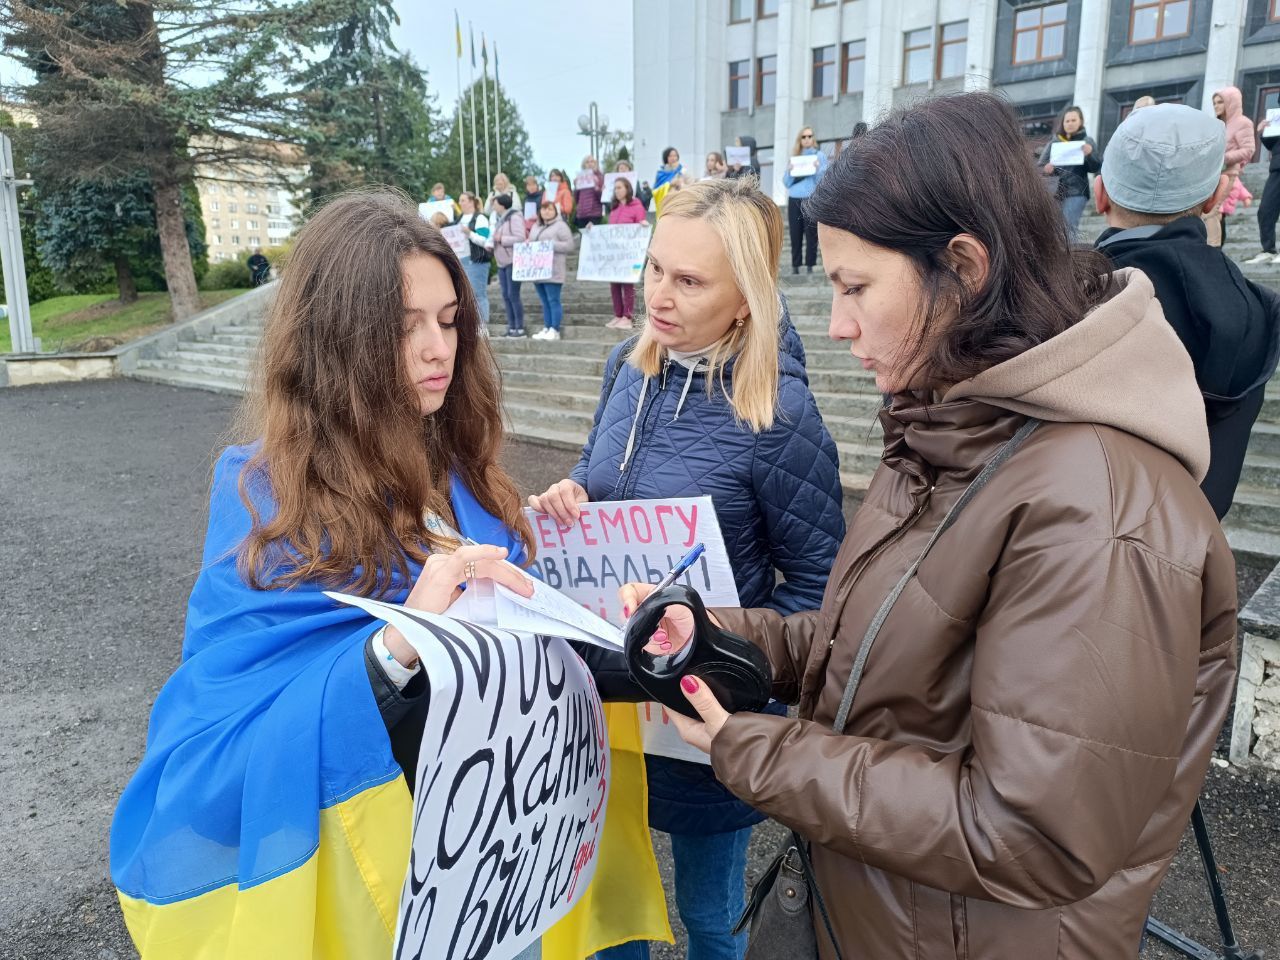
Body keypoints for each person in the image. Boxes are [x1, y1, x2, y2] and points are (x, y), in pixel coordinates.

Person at [621, 92, 1238, 960]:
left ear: (965, 269)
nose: (835, 326)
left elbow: (1031, 832)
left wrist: (757, 749)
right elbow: (881, 649)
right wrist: (725, 635)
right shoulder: (952, 427)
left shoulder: (1098, 507)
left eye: (856, 288)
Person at [530, 177, 846, 960]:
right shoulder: (625, 369)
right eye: (654, 269)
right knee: (610, 909)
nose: (659, 298)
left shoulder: (779, 412)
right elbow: (597, 476)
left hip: (704, 713)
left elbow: (819, 591)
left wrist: (740, 679)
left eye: (690, 280)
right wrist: (573, 492)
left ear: (745, 298)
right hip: (601, 696)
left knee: (710, 916)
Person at [1094, 103, 1280, 519]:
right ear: (1216, 196)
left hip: (1062, 547)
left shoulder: (1062, 292)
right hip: (1188, 547)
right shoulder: (1256, 309)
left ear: (1100, 192)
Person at [1203, 87, 1256, 248]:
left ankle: (1213, 250)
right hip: (1214, 173)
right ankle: (1215, 250)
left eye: (1220, 102)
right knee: (1215, 213)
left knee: (1211, 212)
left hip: (1228, 173)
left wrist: (1224, 157)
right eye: (1214, 103)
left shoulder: (1243, 123)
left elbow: (1249, 149)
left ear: (1231, 102)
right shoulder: (1219, 124)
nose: (1216, 106)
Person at [1039, 104, 1101, 238]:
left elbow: (1095, 167)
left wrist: (1090, 154)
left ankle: (1071, 257)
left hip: (1077, 192)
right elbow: (1041, 166)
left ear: (1081, 122)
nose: (1070, 123)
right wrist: (1047, 169)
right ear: (1063, 123)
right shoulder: (1054, 142)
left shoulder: (1086, 142)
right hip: (1055, 192)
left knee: (1069, 228)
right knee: (1054, 230)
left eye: (1074, 120)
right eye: (1067, 121)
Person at [601, 175, 647, 329]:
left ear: (628, 188)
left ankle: (628, 316)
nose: (617, 190)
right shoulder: (614, 209)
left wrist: (643, 225)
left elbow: (640, 225)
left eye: (620, 187)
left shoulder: (637, 206)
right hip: (615, 254)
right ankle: (618, 315)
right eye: (615, 188)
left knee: (628, 285)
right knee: (614, 286)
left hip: (629, 254)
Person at [783, 126, 828, 275]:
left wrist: (817, 169)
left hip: (811, 198)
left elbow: (823, 180)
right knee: (795, 233)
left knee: (811, 232)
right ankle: (795, 265)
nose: (807, 139)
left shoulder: (819, 156)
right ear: (800, 140)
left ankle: (810, 265)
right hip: (794, 198)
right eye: (804, 137)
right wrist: (789, 170)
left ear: (813, 138)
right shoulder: (795, 157)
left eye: (809, 136)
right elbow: (786, 182)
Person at [528, 199, 574, 342]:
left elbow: (570, 245)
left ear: (555, 211)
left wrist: (551, 245)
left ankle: (555, 329)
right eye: (544, 209)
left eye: (549, 209)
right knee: (544, 301)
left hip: (553, 270)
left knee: (553, 300)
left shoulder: (561, 226)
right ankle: (547, 327)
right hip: (538, 270)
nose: (546, 211)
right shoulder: (536, 225)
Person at [1244, 108, 1280, 265]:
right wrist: (1263, 132)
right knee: (1265, 210)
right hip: (1277, 168)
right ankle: (1269, 250)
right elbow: (1274, 146)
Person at [491, 192, 528, 337]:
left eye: (495, 203)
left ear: (501, 204)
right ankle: (511, 326)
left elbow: (520, 237)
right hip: (502, 262)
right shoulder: (501, 219)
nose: (493, 206)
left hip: (513, 261)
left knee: (513, 295)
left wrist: (502, 239)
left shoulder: (514, 217)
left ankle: (520, 327)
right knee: (506, 295)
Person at [455, 191, 492, 332]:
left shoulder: (480, 218)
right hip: (460, 260)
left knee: (478, 293)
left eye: (463, 200)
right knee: (465, 294)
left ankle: (482, 325)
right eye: (460, 200)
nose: (461, 203)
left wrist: (469, 233)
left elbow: (485, 240)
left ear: (471, 202)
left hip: (476, 260)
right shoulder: (459, 219)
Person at [573, 155, 606, 228]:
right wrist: (576, 187)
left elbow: (602, 198)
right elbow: (576, 199)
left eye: (592, 162)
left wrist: (596, 187)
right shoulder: (580, 177)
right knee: (583, 237)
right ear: (584, 165)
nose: (590, 164)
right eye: (587, 162)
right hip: (582, 214)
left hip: (595, 213)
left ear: (595, 164)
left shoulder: (600, 177)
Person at [652, 146, 683, 215]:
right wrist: (669, 184)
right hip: (666, 204)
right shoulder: (661, 173)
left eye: (675, 155)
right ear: (666, 158)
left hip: (679, 203)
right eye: (670, 156)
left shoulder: (682, 171)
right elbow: (655, 191)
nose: (673, 158)